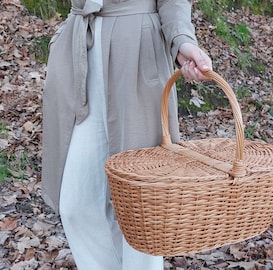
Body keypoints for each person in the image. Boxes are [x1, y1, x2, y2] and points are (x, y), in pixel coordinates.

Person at [41, 0, 212, 269]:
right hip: (82, 55)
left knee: (143, 206)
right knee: (76, 204)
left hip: (137, 55)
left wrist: (182, 40)